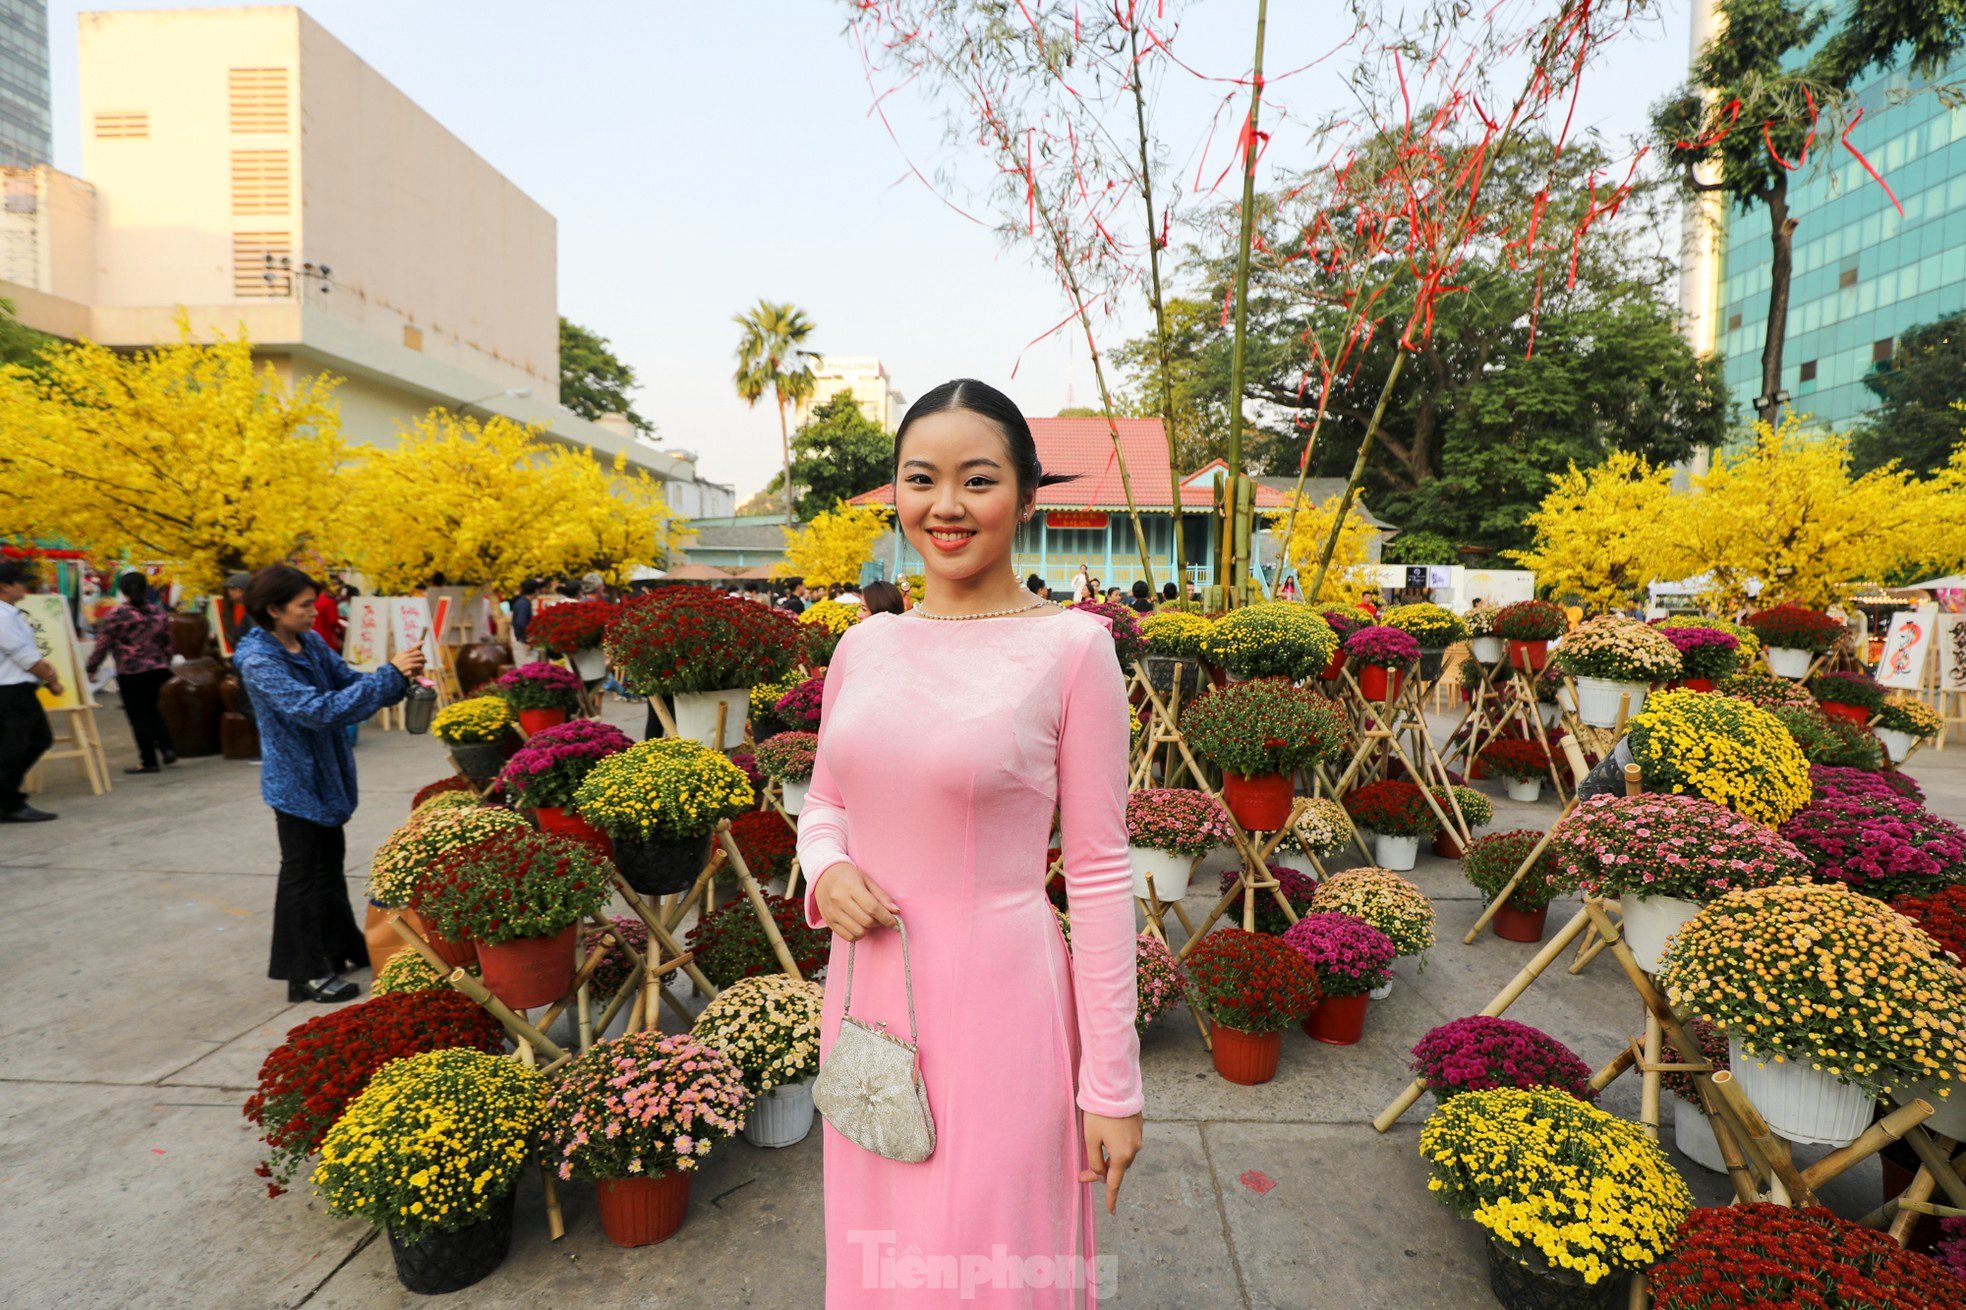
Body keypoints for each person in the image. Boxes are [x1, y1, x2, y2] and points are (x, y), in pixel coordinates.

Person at [799, 377, 1142, 1307]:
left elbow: (1103, 873)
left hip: (1002, 1006)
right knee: (880, 1252)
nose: (946, 506)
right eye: (922, 479)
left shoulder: (1074, 650)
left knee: (989, 1262)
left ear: (1027, 495)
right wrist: (824, 867)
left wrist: (1111, 1085)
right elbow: (825, 797)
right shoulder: (862, 647)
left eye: (978, 480)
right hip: (869, 994)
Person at [234, 565, 423, 1003]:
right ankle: (303, 972)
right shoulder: (259, 659)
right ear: (274, 609)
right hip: (295, 782)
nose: (314, 613)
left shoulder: (310, 643)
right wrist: (387, 678)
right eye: (304, 606)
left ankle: (341, 946)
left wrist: (394, 677)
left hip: (328, 777)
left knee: (327, 867)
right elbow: (316, 709)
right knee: (301, 875)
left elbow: (351, 686)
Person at [85, 571, 179, 775]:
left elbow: (102, 645)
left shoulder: (116, 615)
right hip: (158, 669)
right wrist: (165, 661)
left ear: (123, 591)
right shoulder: (158, 612)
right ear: (146, 589)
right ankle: (167, 747)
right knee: (153, 710)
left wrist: (91, 669)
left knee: (139, 716)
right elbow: (168, 642)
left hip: (131, 672)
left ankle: (149, 760)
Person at [0, 560, 63, 823]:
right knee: (18, 746)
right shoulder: (2, 616)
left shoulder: (11, 614)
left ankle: (7, 795)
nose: (25, 586)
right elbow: (24, 656)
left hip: (18, 689)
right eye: (20, 581)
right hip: (10, 691)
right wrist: (51, 679)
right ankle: (8, 800)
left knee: (34, 740)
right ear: (4, 586)